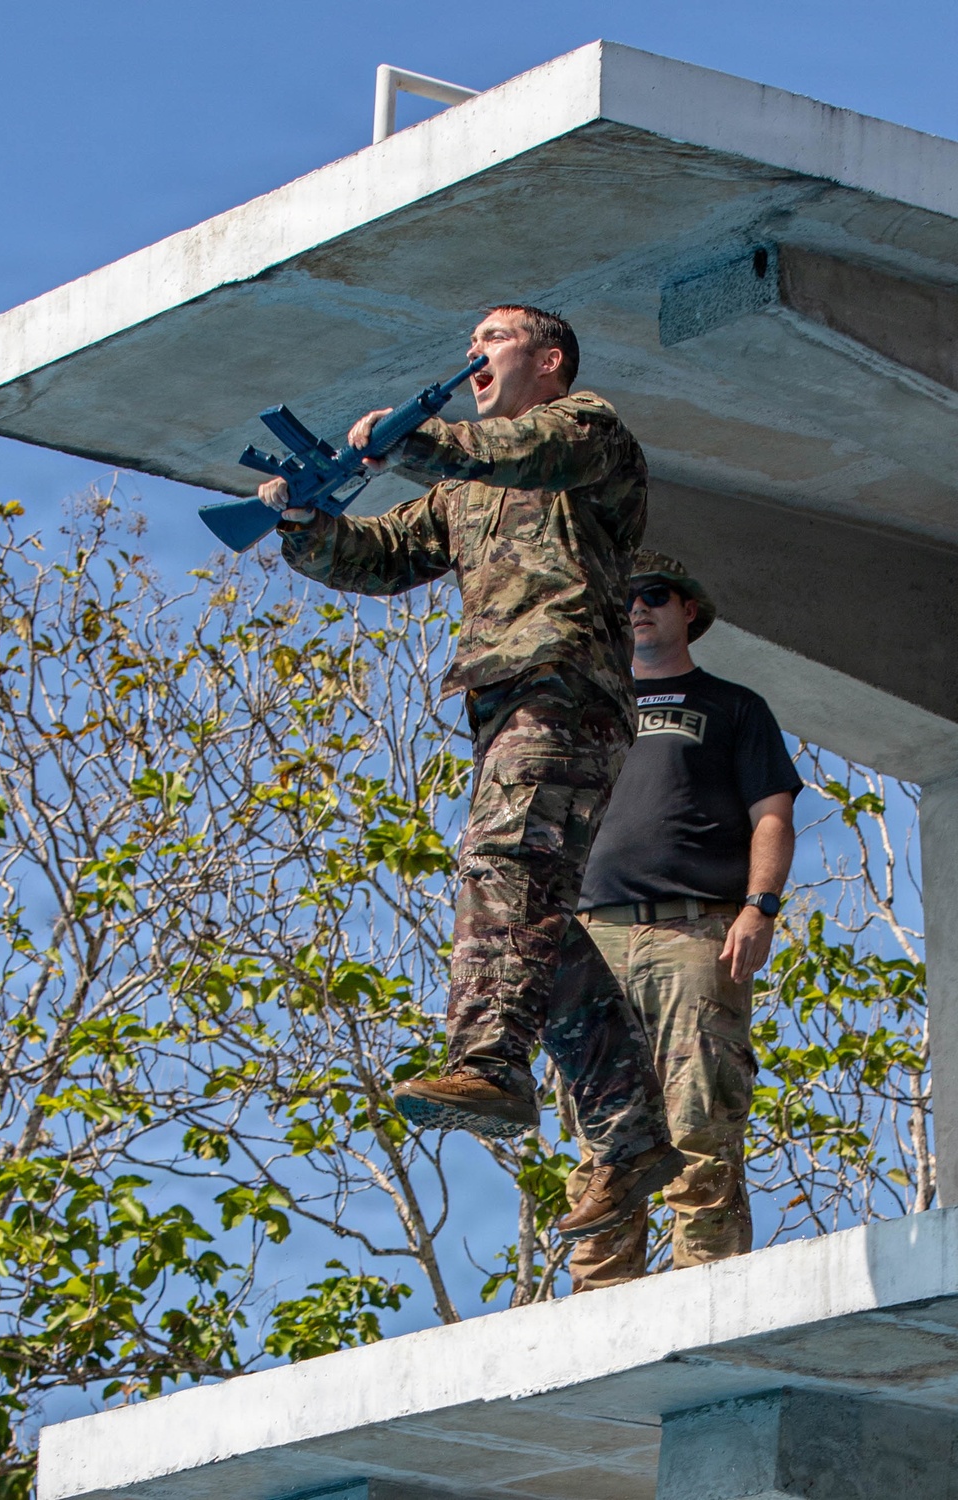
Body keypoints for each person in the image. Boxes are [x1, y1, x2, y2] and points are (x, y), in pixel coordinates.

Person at [258, 306, 682, 1238]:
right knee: (529, 917)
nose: (473, 354)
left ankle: (488, 1065)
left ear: (550, 358)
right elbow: (379, 556)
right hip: (507, 699)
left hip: (565, 683)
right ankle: (629, 1135)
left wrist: (419, 440)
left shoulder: (587, 431)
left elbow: (525, 453)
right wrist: (304, 521)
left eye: (494, 339)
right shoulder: (464, 484)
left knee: (504, 866)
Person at [566, 550, 801, 1290]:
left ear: (688, 609)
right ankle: (600, 1307)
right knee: (604, 1138)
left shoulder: (733, 707)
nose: (638, 607)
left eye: (655, 595)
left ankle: (709, 1295)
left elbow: (773, 815)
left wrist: (760, 907)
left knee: (701, 1119)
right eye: (626, 596)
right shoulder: (587, 705)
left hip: (695, 932)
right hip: (594, 938)